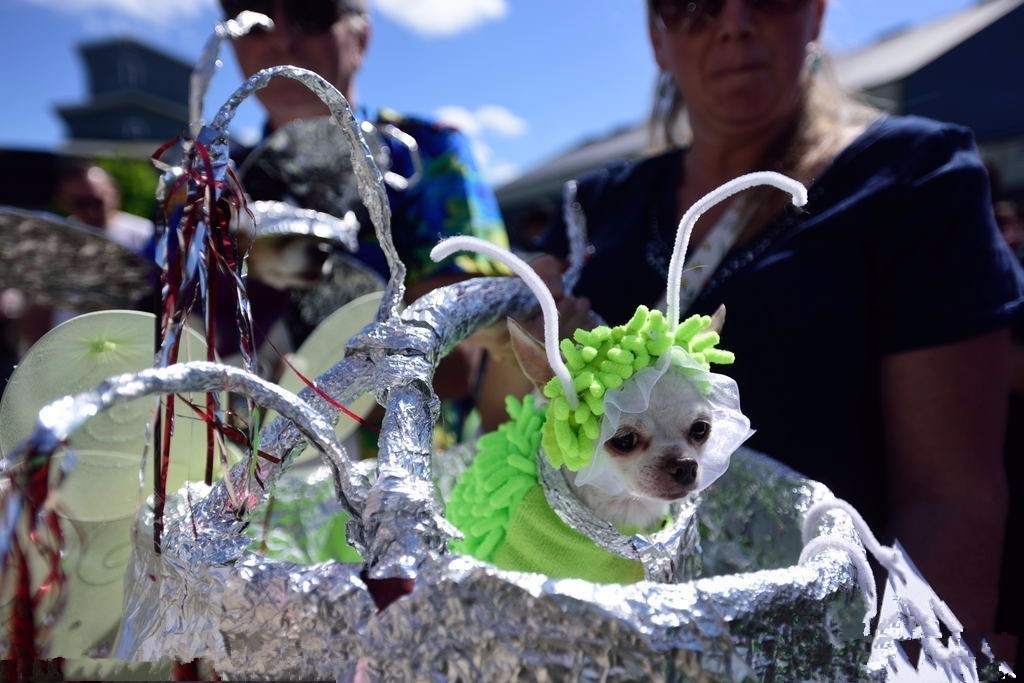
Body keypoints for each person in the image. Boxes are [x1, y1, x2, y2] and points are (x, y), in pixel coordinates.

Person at [508, 0, 1024, 659]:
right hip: (599, 637)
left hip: (824, 647)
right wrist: (513, 343)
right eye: (691, 6)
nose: (733, 22)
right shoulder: (597, 205)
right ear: (656, 36)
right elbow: (522, 430)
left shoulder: (913, 177)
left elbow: (951, 494)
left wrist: (910, 661)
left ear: (815, 14)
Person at [214, 0, 509, 447]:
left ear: (362, 37)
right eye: (254, 20)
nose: (281, 39)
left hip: (403, 475)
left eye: (311, 15)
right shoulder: (219, 187)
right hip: (255, 487)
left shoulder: (429, 151)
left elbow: (461, 367)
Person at [54, 159, 154, 255]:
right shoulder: (58, 238)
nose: (91, 211)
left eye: (97, 202)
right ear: (63, 201)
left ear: (115, 193)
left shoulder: (146, 236)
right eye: (81, 203)